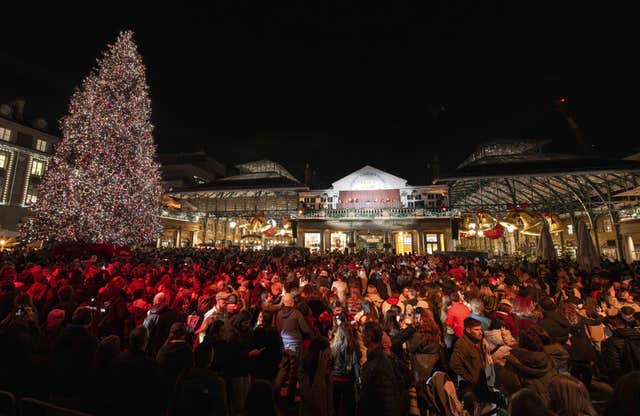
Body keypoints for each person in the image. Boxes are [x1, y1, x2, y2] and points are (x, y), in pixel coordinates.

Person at [111, 325, 165, 416]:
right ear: (146, 342)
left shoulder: (118, 359)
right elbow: (156, 395)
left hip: (120, 408)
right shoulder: (151, 365)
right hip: (141, 410)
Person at [357, 322, 402, 416]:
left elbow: (387, 398)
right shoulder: (375, 359)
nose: (361, 336)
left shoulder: (378, 363)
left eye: (363, 334)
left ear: (369, 337)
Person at [172, 342, 228, 416]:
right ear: (210, 359)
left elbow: (174, 405)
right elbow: (221, 411)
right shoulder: (217, 383)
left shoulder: (182, 377)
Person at [449, 318, 492, 404]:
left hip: (481, 384)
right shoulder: (462, 344)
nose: (480, 332)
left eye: (480, 329)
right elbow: (454, 364)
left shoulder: (478, 341)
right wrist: (469, 378)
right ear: (468, 330)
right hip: (472, 388)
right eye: (476, 330)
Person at [330, 315, 358, 416]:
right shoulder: (351, 346)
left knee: (335, 404)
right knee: (348, 405)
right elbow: (354, 363)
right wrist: (358, 378)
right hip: (347, 378)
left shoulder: (332, 346)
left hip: (335, 378)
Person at [602, 314, 640, 385]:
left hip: (626, 379)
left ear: (610, 326)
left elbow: (613, 365)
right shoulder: (637, 335)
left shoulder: (610, 342)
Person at [301, 336, 334, 416]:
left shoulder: (327, 376)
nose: (331, 359)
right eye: (327, 356)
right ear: (319, 356)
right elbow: (313, 405)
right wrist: (320, 374)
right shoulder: (308, 376)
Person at [144, 292, 181, 357]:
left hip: (155, 350)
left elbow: (144, 333)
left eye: (154, 303)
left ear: (157, 302)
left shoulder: (152, 316)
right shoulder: (176, 314)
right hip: (173, 349)